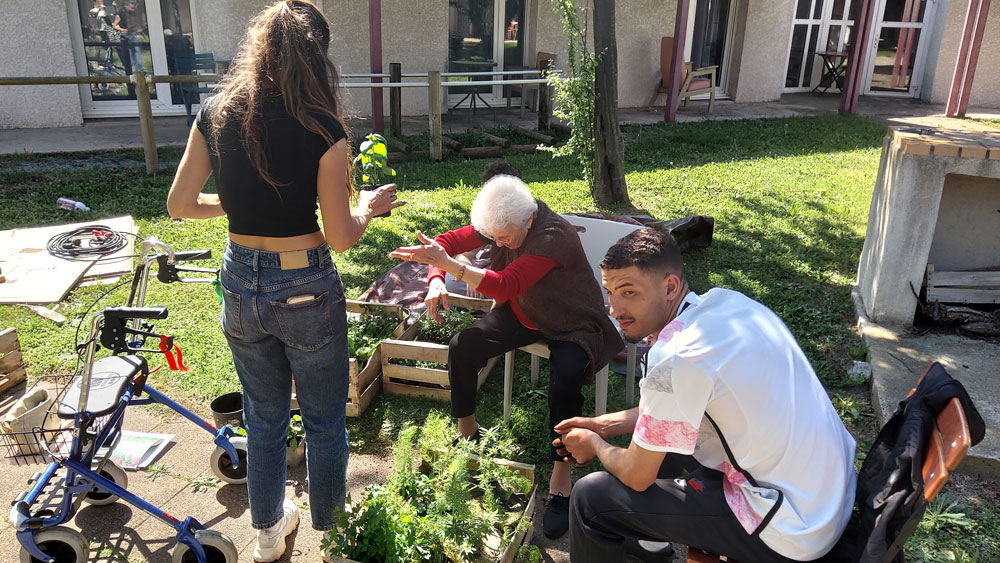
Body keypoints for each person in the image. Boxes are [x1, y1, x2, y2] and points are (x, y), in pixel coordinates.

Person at [166, 2, 403, 561]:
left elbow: (180, 204)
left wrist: (236, 204)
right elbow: (340, 237)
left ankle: (268, 534)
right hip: (304, 284)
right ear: (317, 56)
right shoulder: (323, 126)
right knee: (324, 420)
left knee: (263, 417)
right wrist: (368, 209)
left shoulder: (216, 110)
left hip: (238, 280)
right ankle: (334, 537)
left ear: (258, 46)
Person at [555, 227, 857, 562]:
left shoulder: (679, 356)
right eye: (611, 292)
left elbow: (637, 476)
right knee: (664, 444)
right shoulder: (729, 304)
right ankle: (650, 546)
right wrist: (603, 425)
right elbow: (670, 412)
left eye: (629, 292)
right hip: (829, 495)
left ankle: (637, 537)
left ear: (670, 287)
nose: (615, 309)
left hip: (790, 529)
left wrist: (594, 443)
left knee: (591, 499)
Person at [390, 175, 623, 540]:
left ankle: (561, 478)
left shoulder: (552, 236)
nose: (497, 243)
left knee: (564, 384)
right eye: (493, 237)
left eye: (503, 238)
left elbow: (505, 284)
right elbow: (444, 243)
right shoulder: (504, 222)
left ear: (528, 220)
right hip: (526, 313)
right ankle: (468, 435)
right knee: (463, 346)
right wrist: (436, 278)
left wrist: (451, 266)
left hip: (572, 322)